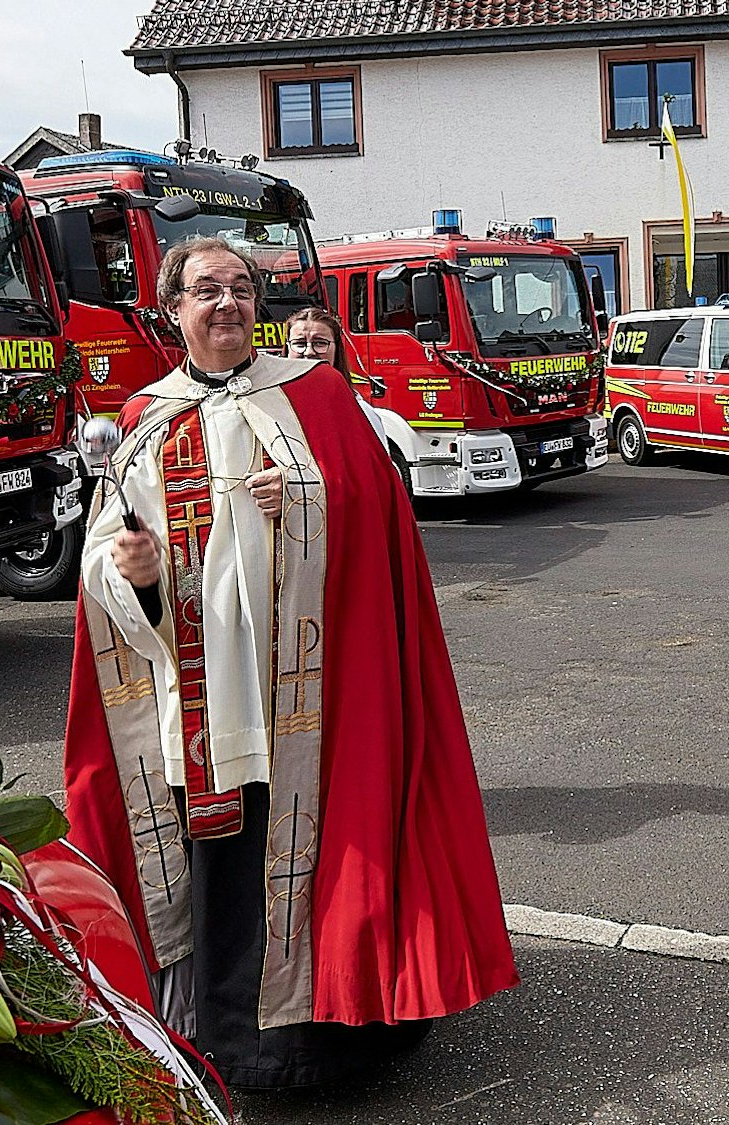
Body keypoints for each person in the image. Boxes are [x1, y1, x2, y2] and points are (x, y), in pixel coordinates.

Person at [62, 237, 517, 1088]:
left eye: (241, 288)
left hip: (307, 689)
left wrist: (309, 498)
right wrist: (137, 574)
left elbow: (380, 515)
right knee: (223, 862)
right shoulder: (144, 418)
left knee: (316, 841)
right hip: (195, 688)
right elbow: (105, 552)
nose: (227, 303)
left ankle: (326, 1039)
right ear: (173, 309)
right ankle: (226, 1041)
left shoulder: (316, 393)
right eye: (207, 290)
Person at [286, 306, 390, 445]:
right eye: (299, 343)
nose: (309, 352)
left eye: (320, 343)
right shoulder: (271, 407)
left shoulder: (361, 413)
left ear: (337, 349)